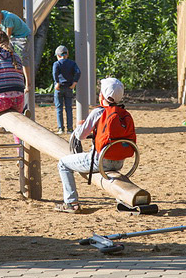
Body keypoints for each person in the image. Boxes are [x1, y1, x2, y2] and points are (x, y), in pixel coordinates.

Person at [55, 78, 136, 213]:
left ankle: (71, 203)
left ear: (102, 95)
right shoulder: (124, 114)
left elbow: (80, 136)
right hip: (119, 163)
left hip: (100, 161)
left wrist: (80, 126)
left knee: (63, 164)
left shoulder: (98, 112)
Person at [52, 45, 81, 134]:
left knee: (59, 108)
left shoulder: (57, 64)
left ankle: (61, 128)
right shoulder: (72, 63)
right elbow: (78, 72)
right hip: (69, 87)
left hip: (59, 87)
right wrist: (74, 82)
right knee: (69, 108)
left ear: (58, 55)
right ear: (67, 54)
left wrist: (57, 82)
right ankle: (70, 128)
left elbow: (55, 73)